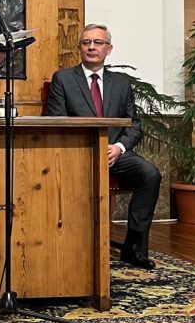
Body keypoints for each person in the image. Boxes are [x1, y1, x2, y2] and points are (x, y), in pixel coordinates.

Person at [45, 23, 161, 269]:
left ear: (109, 49)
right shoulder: (63, 79)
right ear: (79, 48)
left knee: (149, 174)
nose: (91, 47)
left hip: (114, 154)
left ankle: (134, 249)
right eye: (86, 42)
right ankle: (71, 246)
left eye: (98, 42)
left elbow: (134, 124)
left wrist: (118, 148)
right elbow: (56, 123)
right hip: (77, 154)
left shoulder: (121, 83)